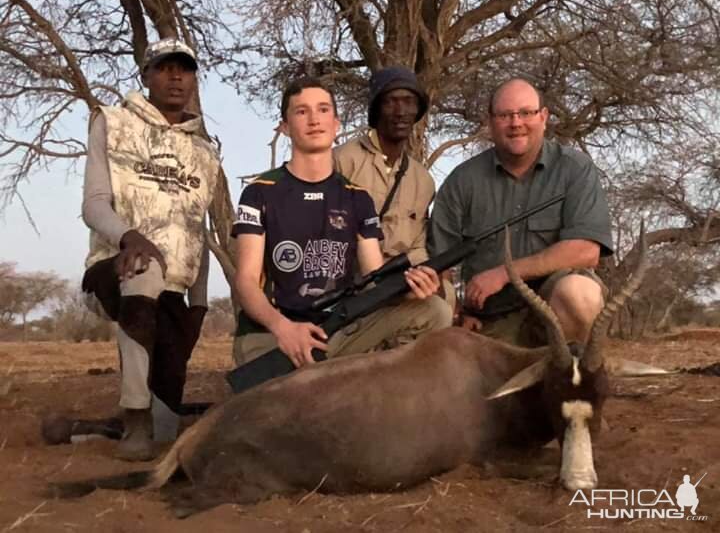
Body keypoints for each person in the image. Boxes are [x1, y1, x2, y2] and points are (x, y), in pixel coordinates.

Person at [232, 77, 447, 368]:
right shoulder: (260, 191)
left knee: (435, 310)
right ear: (284, 126)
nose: (313, 120)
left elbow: (375, 274)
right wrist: (283, 328)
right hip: (274, 335)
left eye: (323, 110)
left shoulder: (357, 198)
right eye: (301, 111)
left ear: (336, 124)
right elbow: (245, 281)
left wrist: (410, 289)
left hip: (335, 330)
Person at [77, 38, 219, 460]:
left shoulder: (204, 152)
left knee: (167, 427)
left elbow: (200, 230)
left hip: (175, 291)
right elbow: (93, 203)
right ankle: (134, 418)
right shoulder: (112, 121)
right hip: (117, 269)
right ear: (146, 76)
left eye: (185, 68)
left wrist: (199, 305)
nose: (175, 76)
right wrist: (129, 237)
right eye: (164, 67)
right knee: (145, 266)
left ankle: (85, 431)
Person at [429, 78, 613, 347]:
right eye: (505, 115)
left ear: (544, 117)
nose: (516, 123)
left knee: (580, 293)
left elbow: (586, 251)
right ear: (490, 122)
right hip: (489, 321)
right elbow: (438, 264)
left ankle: (573, 378)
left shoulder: (575, 168)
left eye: (526, 113)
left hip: (553, 317)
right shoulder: (462, 180)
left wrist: (504, 273)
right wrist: (457, 311)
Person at [333, 66, 454, 322]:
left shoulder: (423, 180)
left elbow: (419, 246)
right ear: (376, 109)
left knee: (446, 297)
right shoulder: (343, 161)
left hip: (398, 283)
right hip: (347, 286)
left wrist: (421, 278)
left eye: (409, 102)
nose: (401, 112)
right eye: (391, 102)